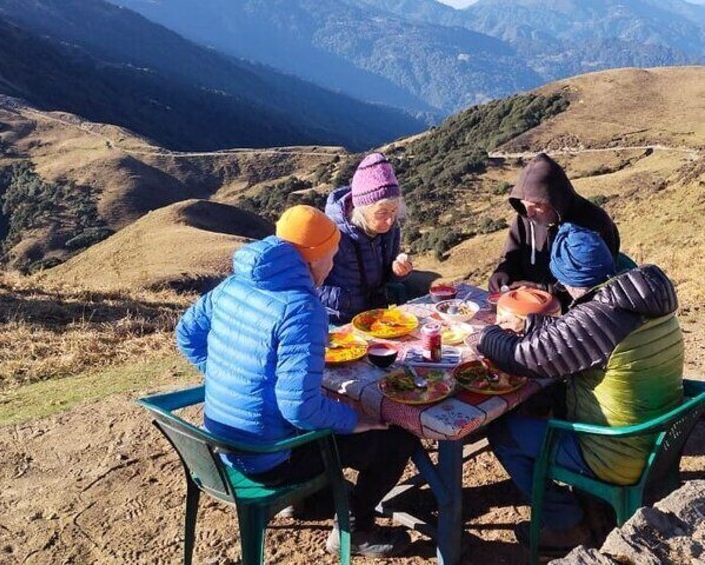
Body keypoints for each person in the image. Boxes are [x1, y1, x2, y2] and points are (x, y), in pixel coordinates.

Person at [176, 205, 417, 558]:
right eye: (332, 257)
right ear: (314, 258)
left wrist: (230, 377)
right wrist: (356, 421)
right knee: (395, 439)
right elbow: (298, 407)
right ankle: (356, 528)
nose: (333, 266)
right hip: (266, 458)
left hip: (221, 441)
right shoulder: (301, 308)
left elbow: (187, 335)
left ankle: (305, 501)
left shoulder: (234, 284)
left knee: (327, 409)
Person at [474, 223, 684, 554]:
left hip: (616, 452)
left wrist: (488, 336)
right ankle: (586, 507)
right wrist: (534, 325)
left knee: (505, 432)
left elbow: (522, 357)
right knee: (545, 401)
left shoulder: (602, 314)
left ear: (567, 277)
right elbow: (575, 335)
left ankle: (564, 524)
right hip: (659, 437)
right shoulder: (641, 298)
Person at [488, 153, 620, 301]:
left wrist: (544, 290)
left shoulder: (594, 223)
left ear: (555, 200)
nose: (529, 213)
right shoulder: (526, 217)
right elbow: (512, 255)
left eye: (537, 205)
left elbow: (595, 283)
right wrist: (504, 272)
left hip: (573, 311)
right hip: (526, 303)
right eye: (525, 206)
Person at [319, 153, 413, 324]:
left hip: (375, 318)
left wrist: (397, 272)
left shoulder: (390, 229)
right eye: (382, 212)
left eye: (394, 211)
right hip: (336, 321)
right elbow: (309, 282)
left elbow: (385, 277)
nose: (390, 220)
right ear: (360, 208)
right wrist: (344, 300)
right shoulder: (331, 233)